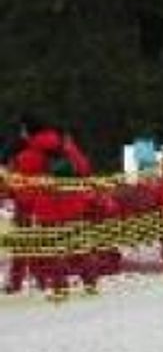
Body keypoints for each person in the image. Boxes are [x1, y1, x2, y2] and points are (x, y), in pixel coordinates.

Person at [5, 114, 95, 294]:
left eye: (22, 129)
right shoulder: (66, 146)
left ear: (29, 130)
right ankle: (89, 281)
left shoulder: (28, 153)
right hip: (73, 203)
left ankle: (57, 285)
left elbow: (16, 183)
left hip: (47, 207)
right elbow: (85, 168)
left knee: (49, 249)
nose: (21, 133)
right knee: (75, 245)